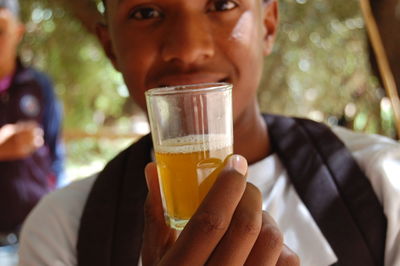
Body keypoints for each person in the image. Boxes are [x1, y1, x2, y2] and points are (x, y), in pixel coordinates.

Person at [19, 0, 400, 265]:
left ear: (268, 26)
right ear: (110, 47)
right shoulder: (64, 227)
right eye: (146, 12)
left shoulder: (383, 181)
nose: (188, 48)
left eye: (222, 5)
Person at [0, 0, 65, 247]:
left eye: (0, 30)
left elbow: (56, 156)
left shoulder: (38, 85)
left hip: (34, 233)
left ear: (18, 32)